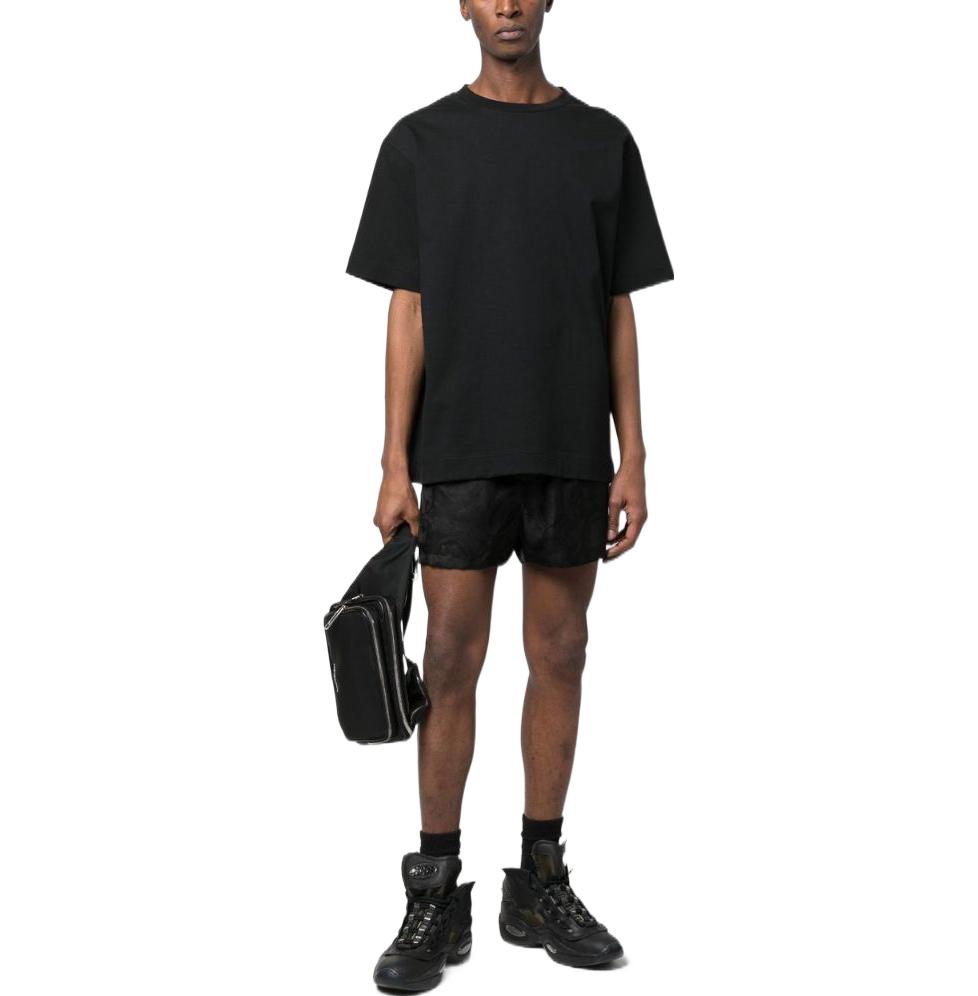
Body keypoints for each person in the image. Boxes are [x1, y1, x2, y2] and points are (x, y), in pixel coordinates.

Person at [344, 2, 673, 989]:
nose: (509, 3)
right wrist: (392, 460)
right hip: (458, 447)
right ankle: (434, 891)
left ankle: (540, 879)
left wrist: (634, 454)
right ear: (463, 3)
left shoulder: (603, 141)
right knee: (450, 657)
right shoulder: (420, 143)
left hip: (570, 443)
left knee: (561, 652)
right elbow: (408, 307)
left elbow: (618, 305)